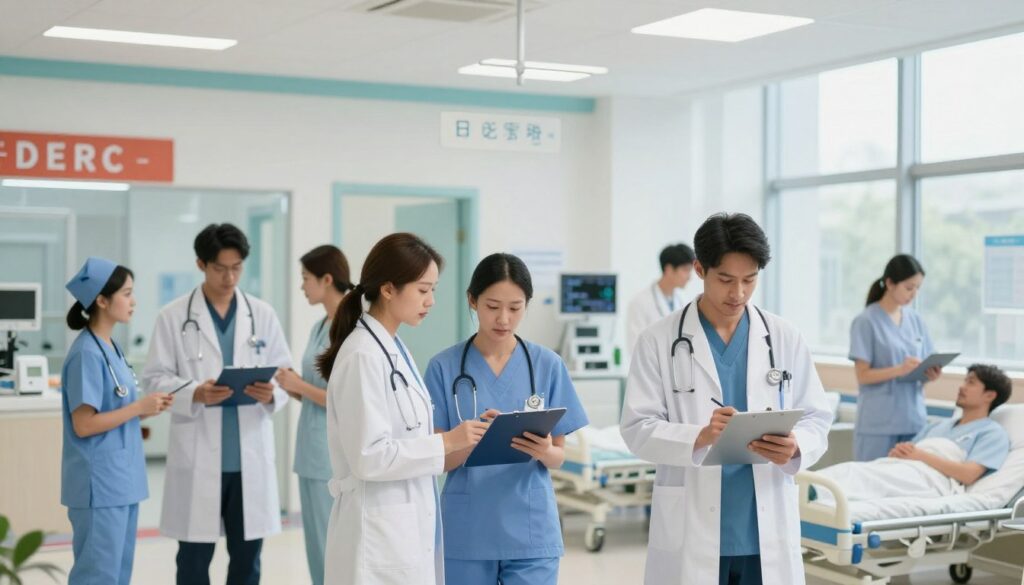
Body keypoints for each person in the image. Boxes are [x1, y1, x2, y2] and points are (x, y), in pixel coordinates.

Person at [621, 213, 833, 585]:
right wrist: (698, 436)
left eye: (749, 280)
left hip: (762, 527)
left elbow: (817, 416)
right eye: (726, 280)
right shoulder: (658, 340)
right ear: (700, 270)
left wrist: (797, 446)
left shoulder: (783, 336)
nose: (738, 293)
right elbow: (637, 427)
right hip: (692, 524)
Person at [315, 233, 493, 585]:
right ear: (388, 289)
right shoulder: (363, 355)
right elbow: (369, 456)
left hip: (401, 527)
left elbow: (407, 434)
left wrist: (463, 436)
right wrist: (445, 443)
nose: (431, 301)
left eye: (434, 290)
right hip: (375, 535)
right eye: (423, 290)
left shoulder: (393, 348)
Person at [424, 253, 589, 585]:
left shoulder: (547, 364)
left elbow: (558, 457)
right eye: (492, 306)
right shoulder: (443, 367)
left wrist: (542, 450)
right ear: (473, 300)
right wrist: (469, 439)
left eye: (515, 308)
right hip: (467, 529)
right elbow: (438, 459)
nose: (503, 318)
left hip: (531, 527)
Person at [141, 223, 292, 585]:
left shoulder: (262, 314)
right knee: (193, 561)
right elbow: (154, 379)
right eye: (220, 268)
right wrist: (194, 392)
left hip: (248, 460)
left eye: (237, 267)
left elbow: (284, 374)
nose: (229, 277)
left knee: (247, 560)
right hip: (198, 456)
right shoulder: (173, 316)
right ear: (201, 264)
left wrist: (273, 392)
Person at [60, 257, 173, 585]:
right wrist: (138, 407)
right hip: (100, 485)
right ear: (101, 300)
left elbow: (118, 406)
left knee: (117, 575)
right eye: (127, 293)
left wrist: (146, 408)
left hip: (122, 480)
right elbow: (84, 424)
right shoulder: (86, 354)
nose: (133, 301)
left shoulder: (112, 347)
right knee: (97, 576)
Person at [813, 365, 1012, 503]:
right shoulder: (938, 426)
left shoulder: (992, 433)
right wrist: (900, 452)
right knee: (856, 471)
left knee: (866, 479)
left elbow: (968, 475)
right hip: (905, 468)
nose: (962, 386)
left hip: (932, 480)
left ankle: (814, 493)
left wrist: (919, 455)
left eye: (971, 382)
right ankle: (808, 490)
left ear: (990, 395)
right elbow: (910, 453)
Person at [274, 245, 353, 585]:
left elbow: (346, 401)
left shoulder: (349, 328)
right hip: (309, 451)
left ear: (327, 278)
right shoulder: (320, 324)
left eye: (306, 279)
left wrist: (300, 387)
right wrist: (289, 384)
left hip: (329, 456)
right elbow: (312, 388)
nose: (302, 286)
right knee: (314, 544)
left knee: (328, 546)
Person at [850, 254, 941, 461]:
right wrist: (899, 369)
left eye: (918, 288)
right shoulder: (866, 321)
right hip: (878, 424)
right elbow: (862, 375)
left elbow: (922, 366)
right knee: (870, 484)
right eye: (909, 288)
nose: (914, 294)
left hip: (913, 421)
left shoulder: (916, 320)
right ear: (890, 283)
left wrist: (929, 374)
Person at [626, 243, 696, 356]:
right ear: (669, 269)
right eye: (685, 270)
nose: (689, 277)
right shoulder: (640, 303)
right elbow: (635, 347)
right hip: (650, 370)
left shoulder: (683, 300)